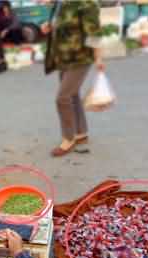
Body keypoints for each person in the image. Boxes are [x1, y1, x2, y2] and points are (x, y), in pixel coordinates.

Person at [41, 0, 104, 157]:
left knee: (62, 98)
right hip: (63, 57)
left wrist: (99, 58)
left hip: (80, 58)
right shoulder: (61, 2)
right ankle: (81, 133)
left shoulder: (87, 3)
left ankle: (68, 138)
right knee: (72, 95)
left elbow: (94, 33)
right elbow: (62, 25)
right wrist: (49, 26)